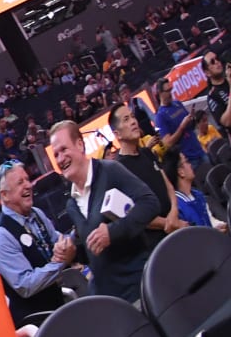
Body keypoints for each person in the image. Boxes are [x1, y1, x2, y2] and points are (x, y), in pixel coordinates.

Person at [49, 119, 162, 301]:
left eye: (63, 149)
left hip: (139, 289)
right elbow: (91, 251)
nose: (60, 159)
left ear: (80, 144)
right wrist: (72, 254)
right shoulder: (71, 203)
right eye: (56, 155)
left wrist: (112, 232)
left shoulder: (111, 171)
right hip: (112, 301)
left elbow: (150, 203)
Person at [0, 161, 78, 326]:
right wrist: (60, 262)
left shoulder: (36, 213)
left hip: (58, 306)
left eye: (27, 180)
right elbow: (26, 284)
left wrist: (71, 240)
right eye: (20, 183)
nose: (28, 186)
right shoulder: (1, 238)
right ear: (5, 195)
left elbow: (57, 239)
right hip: (37, 324)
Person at [107, 104, 180, 233]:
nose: (133, 122)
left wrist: (174, 211)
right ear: (117, 134)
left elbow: (167, 185)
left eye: (133, 117)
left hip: (176, 220)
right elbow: (131, 213)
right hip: (157, 238)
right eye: (126, 119)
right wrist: (169, 223)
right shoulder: (118, 169)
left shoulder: (147, 153)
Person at [165, 148, 219, 229]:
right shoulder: (177, 207)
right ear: (181, 172)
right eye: (186, 162)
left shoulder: (198, 194)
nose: (190, 165)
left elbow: (210, 221)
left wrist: (217, 227)